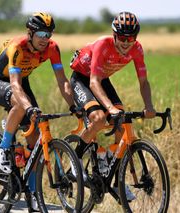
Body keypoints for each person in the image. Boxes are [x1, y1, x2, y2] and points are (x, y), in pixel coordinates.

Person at [0, 12, 77, 211]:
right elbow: (15, 86)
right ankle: (3, 146)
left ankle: (33, 192)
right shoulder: (17, 47)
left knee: (36, 139)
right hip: (0, 82)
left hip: (22, 80)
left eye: (49, 34)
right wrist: (29, 108)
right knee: (21, 105)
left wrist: (74, 107)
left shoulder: (52, 49)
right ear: (30, 33)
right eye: (41, 34)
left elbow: (62, 81)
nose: (46, 39)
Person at [69, 11, 156, 201]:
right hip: (83, 79)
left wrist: (149, 106)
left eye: (131, 37)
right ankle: (74, 164)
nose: (126, 42)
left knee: (122, 120)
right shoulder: (103, 44)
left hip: (102, 80)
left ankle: (114, 176)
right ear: (114, 35)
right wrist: (110, 108)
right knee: (99, 118)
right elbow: (93, 83)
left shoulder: (137, 49)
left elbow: (143, 82)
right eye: (122, 38)